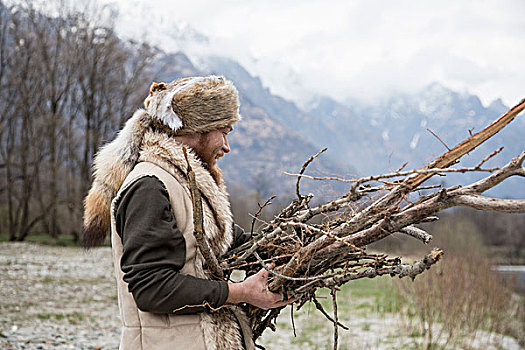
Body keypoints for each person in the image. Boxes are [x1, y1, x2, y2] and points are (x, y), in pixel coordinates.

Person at [82, 76, 291, 350]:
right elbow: (151, 288)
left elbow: (233, 243)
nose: (227, 146)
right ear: (197, 128)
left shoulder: (189, 184)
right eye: (223, 131)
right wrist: (240, 293)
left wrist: (291, 250)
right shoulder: (149, 187)